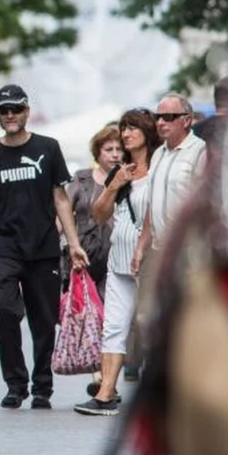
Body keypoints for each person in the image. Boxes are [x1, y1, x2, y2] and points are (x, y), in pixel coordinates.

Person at [0, 84, 88, 409]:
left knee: (44, 321)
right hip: (3, 247)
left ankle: (42, 386)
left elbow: (60, 198)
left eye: (16, 109)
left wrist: (73, 244)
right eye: (4, 110)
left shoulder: (48, 147)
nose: (10, 115)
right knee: (4, 312)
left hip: (43, 247)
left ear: (27, 111)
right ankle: (15, 384)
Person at [74, 109, 159, 416]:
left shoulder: (160, 167)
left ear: (146, 132)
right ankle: (106, 393)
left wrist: (143, 246)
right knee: (113, 327)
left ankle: (160, 393)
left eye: (132, 128)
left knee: (150, 323)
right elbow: (99, 215)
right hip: (118, 257)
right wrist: (113, 185)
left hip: (149, 257)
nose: (125, 134)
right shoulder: (121, 170)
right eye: (124, 128)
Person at [128, 92, 208, 380]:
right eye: (158, 116)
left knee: (183, 315)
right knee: (145, 314)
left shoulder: (200, 152)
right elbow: (151, 203)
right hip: (158, 249)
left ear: (186, 121)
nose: (160, 122)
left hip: (188, 251)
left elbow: (206, 204)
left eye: (169, 117)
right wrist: (141, 245)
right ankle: (158, 372)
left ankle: (181, 374)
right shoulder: (159, 153)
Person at [63, 124, 123, 300]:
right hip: (83, 257)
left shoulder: (127, 180)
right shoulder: (82, 178)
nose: (115, 154)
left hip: (115, 257)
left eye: (119, 149)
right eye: (109, 149)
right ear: (98, 153)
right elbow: (63, 211)